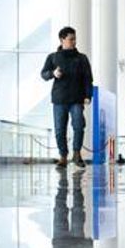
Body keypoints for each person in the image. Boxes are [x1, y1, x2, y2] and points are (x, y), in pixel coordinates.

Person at [41, 26, 94, 168]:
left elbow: (88, 78)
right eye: (71, 39)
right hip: (59, 100)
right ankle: (63, 156)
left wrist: (88, 95)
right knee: (60, 130)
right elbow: (43, 74)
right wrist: (53, 73)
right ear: (62, 40)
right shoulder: (53, 57)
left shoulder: (82, 58)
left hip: (77, 99)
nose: (74, 42)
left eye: (75, 39)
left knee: (79, 125)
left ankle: (77, 154)